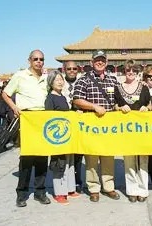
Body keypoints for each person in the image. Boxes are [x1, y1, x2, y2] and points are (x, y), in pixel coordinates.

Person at [2, 49, 51, 207]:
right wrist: (14, 108)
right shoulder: (20, 75)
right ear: (29, 60)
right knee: (27, 159)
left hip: (43, 119)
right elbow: (5, 94)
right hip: (27, 119)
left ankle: (40, 192)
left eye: (41, 59)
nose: (39, 61)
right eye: (35, 59)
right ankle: (22, 194)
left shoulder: (46, 78)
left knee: (42, 159)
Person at [72, 50, 120, 202]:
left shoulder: (113, 80)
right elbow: (77, 100)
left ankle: (108, 186)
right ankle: (93, 188)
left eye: (103, 60)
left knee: (108, 157)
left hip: (108, 127)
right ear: (91, 62)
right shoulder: (84, 80)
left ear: (106, 62)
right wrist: (94, 107)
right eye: (97, 60)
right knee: (91, 159)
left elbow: (120, 99)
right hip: (91, 126)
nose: (100, 62)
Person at [114, 60, 151, 202]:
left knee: (143, 160)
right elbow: (114, 105)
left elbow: (149, 104)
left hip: (142, 129)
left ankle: (143, 189)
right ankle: (132, 190)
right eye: (128, 70)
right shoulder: (118, 87)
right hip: (126, 130)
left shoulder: (144, 87)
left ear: (137, 72)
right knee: (129, 161)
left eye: (134, 71)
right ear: (124, 71)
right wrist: (119, 108)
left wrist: (146, 108)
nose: (131, 73)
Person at [45, 70, 80, 205]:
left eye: (61, 79)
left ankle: (70, 189)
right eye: (56, 80)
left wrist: (74, 112)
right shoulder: (50, 98)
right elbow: (49, 119)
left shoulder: (63, 97)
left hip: (68, 135)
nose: (60, 82)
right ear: (51, 83)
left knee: (69, 162)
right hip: (58, 137)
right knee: (59, 163)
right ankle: (59, 192)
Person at [62, 60, 84, 193]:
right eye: (69, 68)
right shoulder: (58, 82)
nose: (71, 71)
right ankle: (64, 182)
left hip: (78, 123)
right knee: (64, 156)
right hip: (64, 123)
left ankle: (77, 181)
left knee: (78, 155)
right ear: (64, 69)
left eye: (74, 69)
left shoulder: (82, 82)